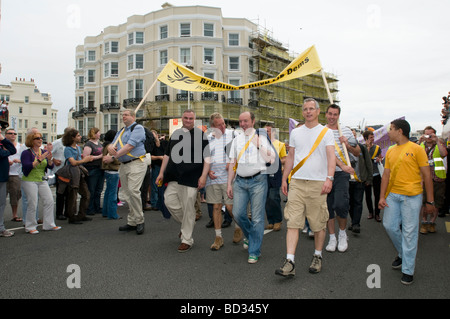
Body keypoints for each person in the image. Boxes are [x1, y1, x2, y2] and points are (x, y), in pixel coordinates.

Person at [275, 98, 335, 277]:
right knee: (293, 222)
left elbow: (331, 157)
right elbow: (291, 157)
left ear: (318, 112)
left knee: (317, 224)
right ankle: (290, 261)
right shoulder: (296, 133)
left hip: (318, 183)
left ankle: (317, 256)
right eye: (305, 109)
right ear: (302, 112)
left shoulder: (326, 132)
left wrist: (329, 178)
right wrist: (285, 179)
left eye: (311, 109)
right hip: (298, 182)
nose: (308, 112)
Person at [379, 119, 434, 285]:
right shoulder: (389, 151)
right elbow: (386, 175)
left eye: (391, 129)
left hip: (412, 197)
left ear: (400, 131)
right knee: (389, 225)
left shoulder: (417, 149)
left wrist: (430, 202)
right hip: (393, 196)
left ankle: (408, 270)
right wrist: (382, 197)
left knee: (410, 233)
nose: (388, 132)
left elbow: (426, 176)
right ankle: (403, 254)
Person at [156, 109, 210, 252]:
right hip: (174, 176)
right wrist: (161, 172)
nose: (188, 120)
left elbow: (207, 158)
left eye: (190, 118)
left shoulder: (201, 136)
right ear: (182, 118)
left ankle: (187, 239)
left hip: (191, 177)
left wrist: (204, 176)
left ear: (195, 119)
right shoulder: (175, 134)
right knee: (169, 201)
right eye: (185, 118)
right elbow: (167, 155)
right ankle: (187, 225)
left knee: (188, 207)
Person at [226, 111, 276, 264]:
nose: (243, 124)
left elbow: (272, 159)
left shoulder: (261, 137)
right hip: (240, 181)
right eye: (241, 121)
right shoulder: (236, 140)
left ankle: (254, 251)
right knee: (237, 213)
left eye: (246, 121)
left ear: (253, 121)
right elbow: (233, 163)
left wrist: (259, 145)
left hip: (258, 181)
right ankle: (250, 236)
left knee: (257, 218)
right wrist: (229, 183)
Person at [105, 109, 150, 235]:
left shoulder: (138, 128)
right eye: (122, 115)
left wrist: (113, 157)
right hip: (124, 165)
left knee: (133, 191)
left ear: (133, 116)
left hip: (136, 163)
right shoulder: (121, 131)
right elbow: (111, 145)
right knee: (126, 193)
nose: (123, 117)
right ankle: (132, 221)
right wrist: (110, 148)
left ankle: (140, 220)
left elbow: (130, 146)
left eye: (126, 115)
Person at [325, 104, 361, 253]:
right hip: (326, 172)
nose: (332, 117)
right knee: (328, 207)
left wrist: (348, 144)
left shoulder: (345, 130)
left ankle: (342, 233)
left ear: (339, 116)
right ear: (325, 114)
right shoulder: (321, 130)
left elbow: (357, 152)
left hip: (341, 173)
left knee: (340, 204)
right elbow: (325, 154)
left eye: (335, 114)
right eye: (330, 114)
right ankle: (332, 237)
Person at [21, 131, 61, 234]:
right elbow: (27, 166)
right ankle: (30, 226)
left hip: (42, 179)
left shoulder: (43, 151)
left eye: (41, 138)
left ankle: (49, 224)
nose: (40, 140)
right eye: (37, 138)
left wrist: (49, 159)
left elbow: (50, 166)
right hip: (30, 180)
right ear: (31, 141)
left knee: (49, 201)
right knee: (33, 203)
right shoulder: (26, 153)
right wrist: (40, 159)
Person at [205, 113, 234, 251]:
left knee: (230, 207)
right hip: (213, 178)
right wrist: (208, 171)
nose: (223, 127)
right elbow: (205, 157)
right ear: (212, 127)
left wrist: (231, 162)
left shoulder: (232, 135)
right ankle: (218, 237)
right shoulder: (207, 138)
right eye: (219, 125)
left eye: (223, 123)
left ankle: (240, 227)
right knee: (216, 207)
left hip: (229, 177)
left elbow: (239, 151)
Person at [418, 126, 447, 234]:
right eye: (426, 134)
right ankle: (424, 222)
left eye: (431, 135)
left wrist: (437, 141)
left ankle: (432, 222)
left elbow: (444, 154)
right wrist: (420, 141)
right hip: (424, 179)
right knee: (425, 202)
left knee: (437, 203)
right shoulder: (420, 146)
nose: (428, 137)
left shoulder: (439, 145)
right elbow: (412, 157)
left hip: (438, 178)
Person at [61, 128, 93, 224]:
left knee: (86, 194)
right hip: (72, 174)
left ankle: (81, 214)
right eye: (78, 135)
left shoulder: (78, 148)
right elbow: (73, 162)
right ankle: (71, 216)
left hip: (79, 173)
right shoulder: (68, 149)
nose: (80, 137)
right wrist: (84, 160)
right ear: (72, 137)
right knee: (72, 196)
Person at [348, 130, 373, 234]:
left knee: (358, 201)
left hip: (360, 180)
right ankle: (354, 220)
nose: (352, 137)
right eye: (350, 135)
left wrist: (369, 178)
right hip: (347, 180)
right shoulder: (342, 148)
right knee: (349, 203)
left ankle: (356, 224)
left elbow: (368, 163)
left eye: (354, 135)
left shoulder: (362, 148)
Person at [264, 123, 287, 231]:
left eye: (268, 131)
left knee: (274, 197)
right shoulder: (261, 144)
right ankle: (271, 220)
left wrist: (275, 161)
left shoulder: (280, 144)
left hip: (275, 173)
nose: (266, 133)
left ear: (273, 132)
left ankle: (278, 220)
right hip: (263, 173)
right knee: (266, 198)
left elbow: (285, 159)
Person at [52, 127, 72, 221]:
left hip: (69, 171)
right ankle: (59, 213)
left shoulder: (71, 144)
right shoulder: (57, 143)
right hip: (59, 171)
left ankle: (67, 212)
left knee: (69, 193)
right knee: (60, 193)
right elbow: (47, 152)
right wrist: (53, 160)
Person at [83, 127, 104, 215]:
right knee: (91, 189)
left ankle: (97, 206)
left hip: (100, 168)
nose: (100, 134)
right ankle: (90, 208)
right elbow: (85, 157)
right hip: (92, 169)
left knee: (98, 190)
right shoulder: (88, 144)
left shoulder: (99, 144)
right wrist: (99, 156)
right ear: (94, 134)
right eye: (98, 133)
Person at [101, 130, 121, 219]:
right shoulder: (112, 147)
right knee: (113, 194)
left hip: (107, 171)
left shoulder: (105, 146)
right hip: (113, 171)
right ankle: (112, 214)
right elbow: (115, 158)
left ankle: (105, 211)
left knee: (108, 192)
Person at [363, 130, 383, 222]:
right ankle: (370, 212)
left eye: (373, 137)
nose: (373, 139)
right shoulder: (362, 147)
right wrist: (367, 147)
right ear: (366, 138)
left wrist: (379, 159)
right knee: (368, 195)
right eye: (371, 137)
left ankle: (377, 213)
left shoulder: (377, 147)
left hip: (376, 174)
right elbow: (362, 159)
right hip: (367, 175)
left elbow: (380, 157)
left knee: (377, 194)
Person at [0, 131, 17, 237]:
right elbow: (4, 153)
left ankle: (1, 227)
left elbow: (12, 150)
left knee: (1, 204)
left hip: (2, 177)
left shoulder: (2, 142)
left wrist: (3, 139)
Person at [5, 128, 23, 222]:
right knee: (2, 196)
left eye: (14, 133)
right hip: (4, 173)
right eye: (10, 133)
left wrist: (18, 161)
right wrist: (6, 161)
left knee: (15, 195)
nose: (13, 135)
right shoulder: (3, 145)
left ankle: (14, 215)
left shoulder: (20, 146)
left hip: (15, 174)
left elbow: (23, 159)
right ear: (5, 135)